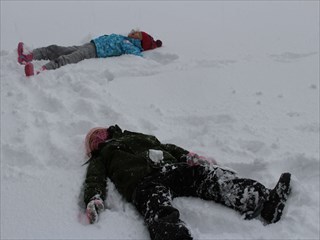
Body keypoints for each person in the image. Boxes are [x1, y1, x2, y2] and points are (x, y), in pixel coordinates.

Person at [82, 125, 291, 240]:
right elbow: (95, 178)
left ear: (107, 130)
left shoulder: (134, 135)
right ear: (93, 148)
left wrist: (188, 156)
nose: (97, 137)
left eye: (98, 132)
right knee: (158, 210)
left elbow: (167, 146)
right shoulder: (101, 157)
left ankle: (263, 201)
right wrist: (94, 197)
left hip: (169, 167)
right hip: (143, 183)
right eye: (93, 139)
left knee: (209, 176)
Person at [17, 29, 162, 76]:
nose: (133, 32)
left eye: (137, 33)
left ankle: (41, 70)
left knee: (67, 58)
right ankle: (29, 55)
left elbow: (137, 56)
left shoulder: (132, 46)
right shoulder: (124, 38)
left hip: (94, 51)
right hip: (90, 45)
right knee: (58, 49)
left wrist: (152, 46)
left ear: (140, 40)